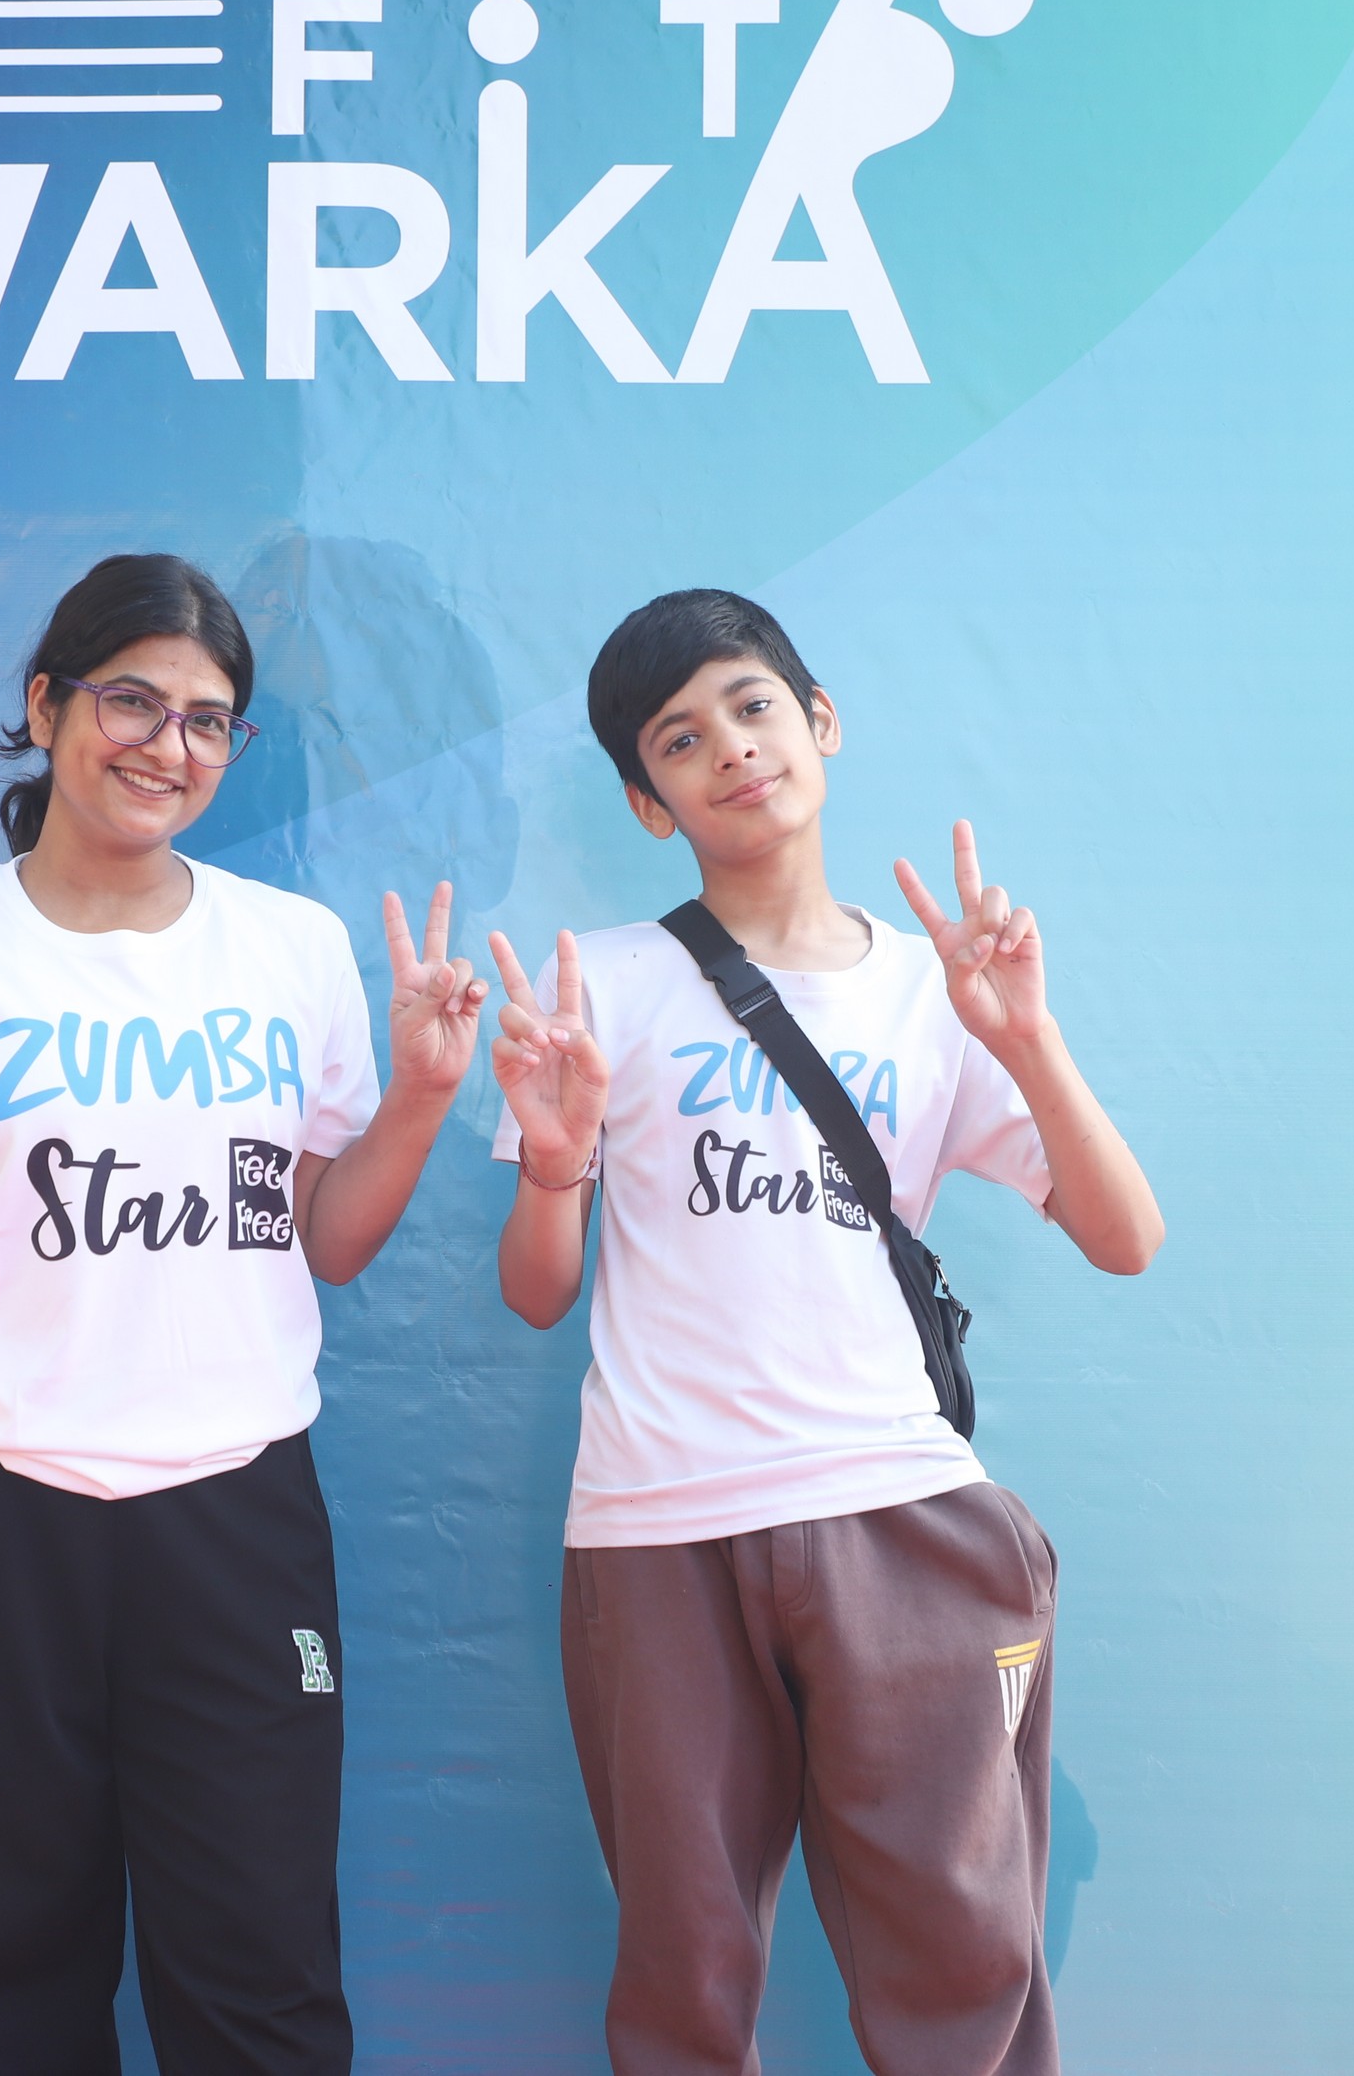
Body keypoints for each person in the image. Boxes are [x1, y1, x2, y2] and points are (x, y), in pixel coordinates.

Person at [0, 550, 485, 2076]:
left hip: (235, 1507)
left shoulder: (290, 949)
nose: (169, 745)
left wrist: (424, 1098)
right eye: (133, 701)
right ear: (46, 706)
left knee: (260, 1962)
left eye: (207, 719)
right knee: (2, 1963)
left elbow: (326, 1241)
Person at [486, 588, 1161, 2076]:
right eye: (679, 738)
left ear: (820, 722)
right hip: (659, 1529)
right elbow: (537, 1290)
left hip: (898, 1512)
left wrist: (1026, 1036)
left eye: (751, 705)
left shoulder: (934, 987)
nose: (730, 747)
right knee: (683, 1974)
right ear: (646, 801)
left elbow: (1125, 1234)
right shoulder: (604, 984)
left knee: (963, 1970)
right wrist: (551, 1158)